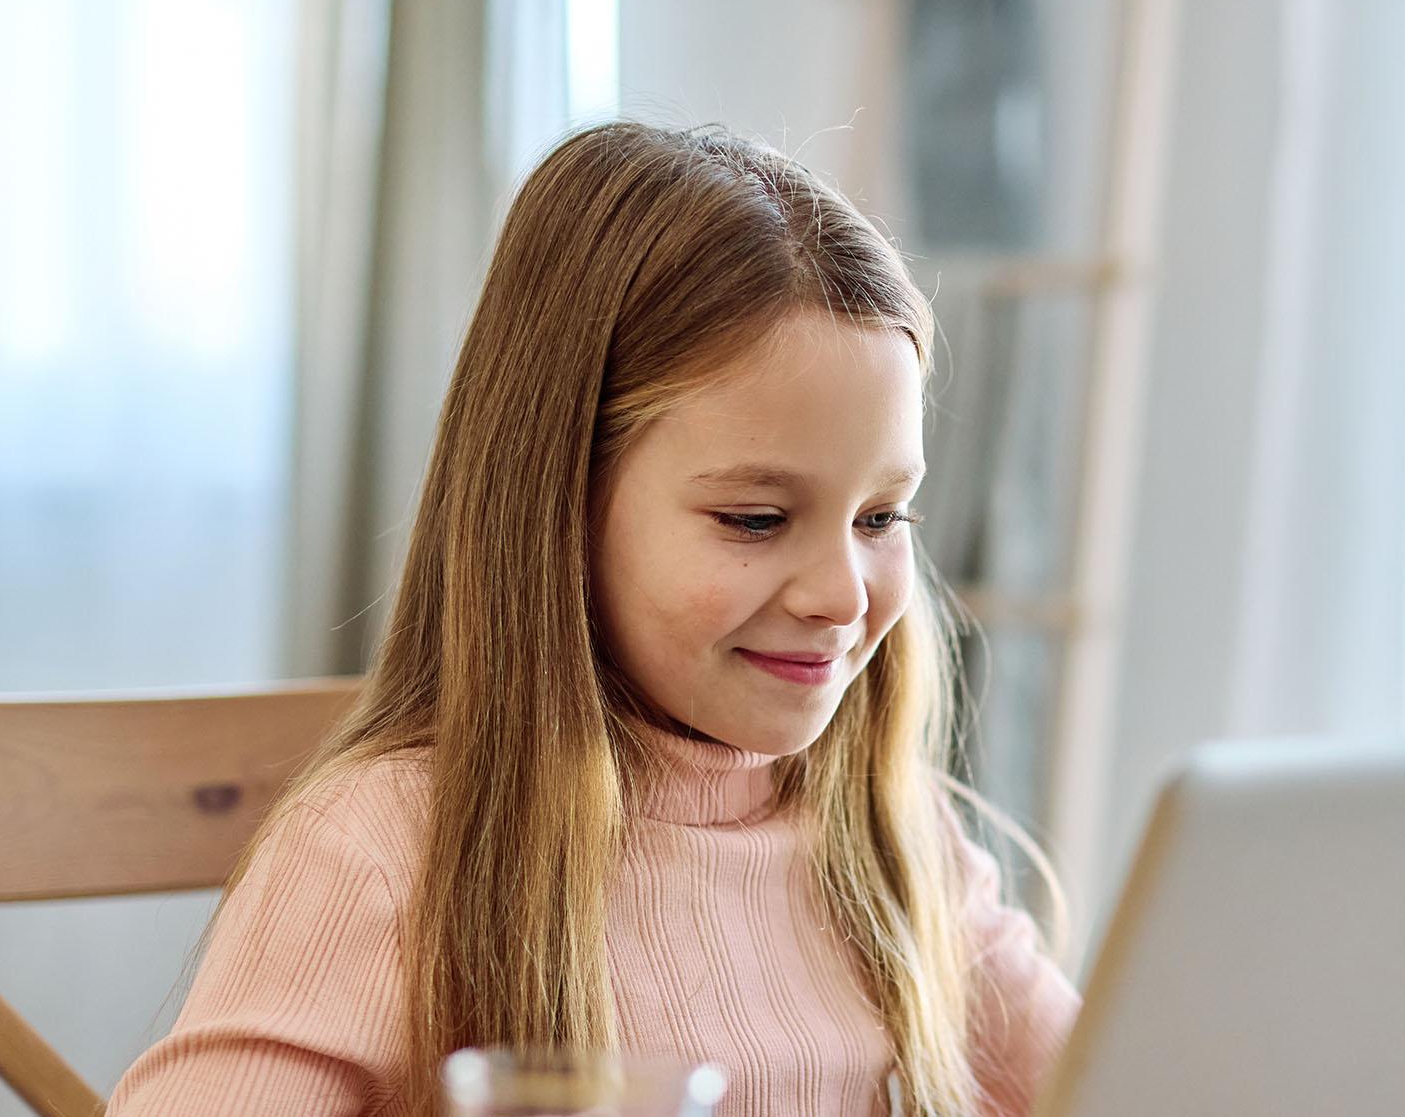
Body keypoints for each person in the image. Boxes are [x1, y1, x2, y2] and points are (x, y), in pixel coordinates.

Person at [106, 120, 1079, 1116]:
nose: (840, 592)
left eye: (881, 516)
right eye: (754, 518)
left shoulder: (896, 835)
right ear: (558, 504)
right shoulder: (385, 849)